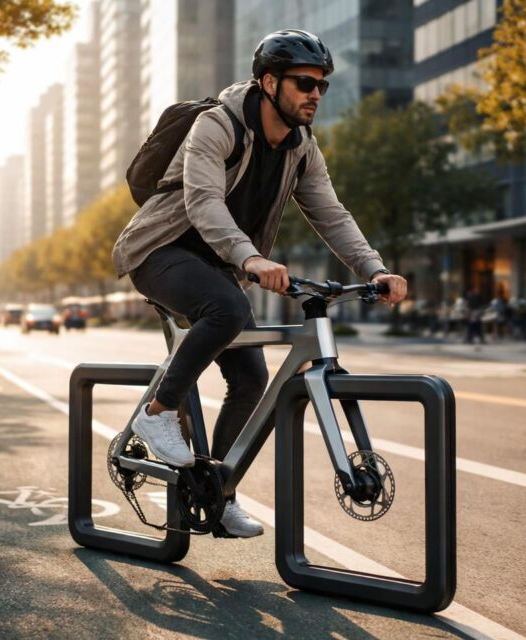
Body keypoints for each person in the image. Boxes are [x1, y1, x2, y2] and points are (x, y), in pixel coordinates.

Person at [111, 29, 407, 538]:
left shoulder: (301, 147)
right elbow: (203, 202)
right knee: (224, 310)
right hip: (160, 251)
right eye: (303, 83)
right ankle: (157, 415)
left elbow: (330, 214)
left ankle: (216, 492)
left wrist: (374, 269)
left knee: (250, 378)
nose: (315, 94)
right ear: (269, 82)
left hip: (222, 267)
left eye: (322, 85)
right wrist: (250, 258)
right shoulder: (217, 125)